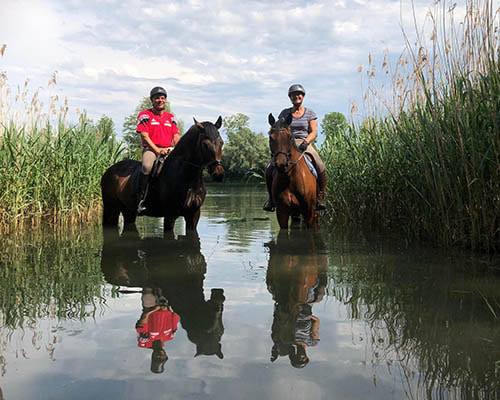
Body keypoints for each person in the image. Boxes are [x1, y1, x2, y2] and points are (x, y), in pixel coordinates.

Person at [263, 84, 327, 212]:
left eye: (299, 94)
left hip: (304, 142)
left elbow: (313, 131)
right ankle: (271, 199)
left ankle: (321, 196)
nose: (296, 97)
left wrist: (306, 142)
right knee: (269, 167)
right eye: (293, 95)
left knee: (319, 164)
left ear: (303, 97)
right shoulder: (285, 113)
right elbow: (279, 129)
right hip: (287, 143)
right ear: (290, 98)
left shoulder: (310, 113)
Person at [136, 86, 181, 215]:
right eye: (157, 98)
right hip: (151, 149)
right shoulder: (145, 115)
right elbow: (144, 135)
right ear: (152, 100)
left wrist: (177, 151)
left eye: (162, 98)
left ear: (165, 100)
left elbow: (176, 136)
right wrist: (157, 150)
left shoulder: (171, 117)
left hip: (168, 150)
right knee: (147, 166)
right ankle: (141, 200)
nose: (160, 100)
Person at [136, 287, 179, 373]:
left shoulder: (144, 341)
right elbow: (175, 315)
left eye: (157, 358)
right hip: (166, 305)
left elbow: (143, 319)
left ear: (153, 356)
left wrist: (154, 309)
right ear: (166, 356)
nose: (160, 356)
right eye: (162, 358)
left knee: (148, 293)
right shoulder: (170, 336)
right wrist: (168, 307)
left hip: (151, 308)